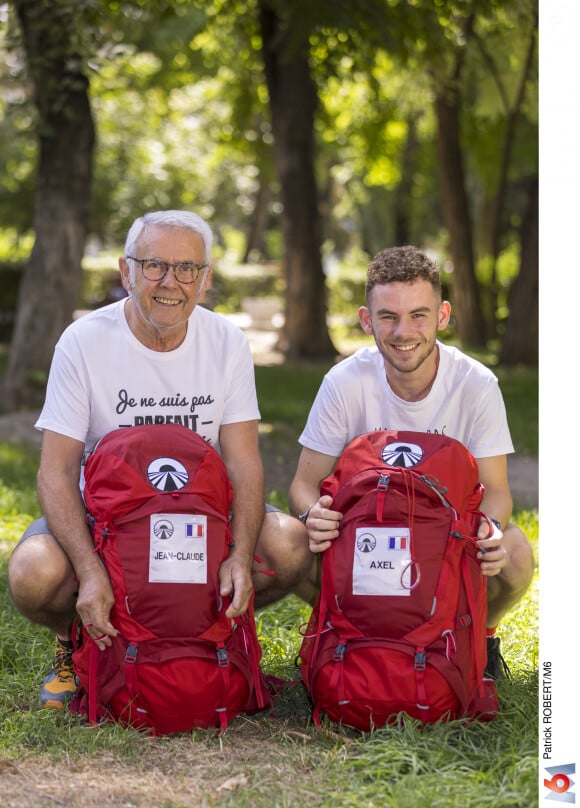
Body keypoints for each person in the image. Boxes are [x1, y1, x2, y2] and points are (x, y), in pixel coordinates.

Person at [7, 209, 310, 709]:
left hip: (199, 516)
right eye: (154, 266)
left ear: (206, 280)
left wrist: (239, 555)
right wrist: (88, 569)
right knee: (32, 573)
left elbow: (243, 463)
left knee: (289, 545)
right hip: (105, 520)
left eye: (187, 269)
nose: (171, 282)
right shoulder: (83, 343)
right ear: (126, 272)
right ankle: (75, 644)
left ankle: (206, 637)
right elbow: (56, 472)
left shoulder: (227, 343)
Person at [288, 245, 535, 678]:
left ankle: (480, 638)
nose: (404, 331)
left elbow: (496, 491)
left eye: (418, 315)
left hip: (443, 543)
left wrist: (490, 529)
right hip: (364, 543)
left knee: (515, 554)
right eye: (388, 317)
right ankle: (349, 632)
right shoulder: (344, 382)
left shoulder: (475, 383)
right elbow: (302, 486)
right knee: (288, 543)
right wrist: (313, 515)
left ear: (442, 315)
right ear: (367, 320)